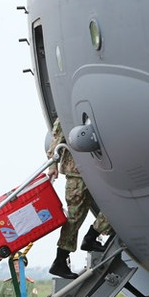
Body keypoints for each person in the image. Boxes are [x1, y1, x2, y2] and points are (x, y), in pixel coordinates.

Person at [47, 117, 113, 279]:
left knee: (114, 204)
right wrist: (52, 165)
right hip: (76, 171)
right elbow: (57, 138)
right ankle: (60, 261)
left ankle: (92, 236)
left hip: (97, 169)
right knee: (75, 216)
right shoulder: (67, 110)